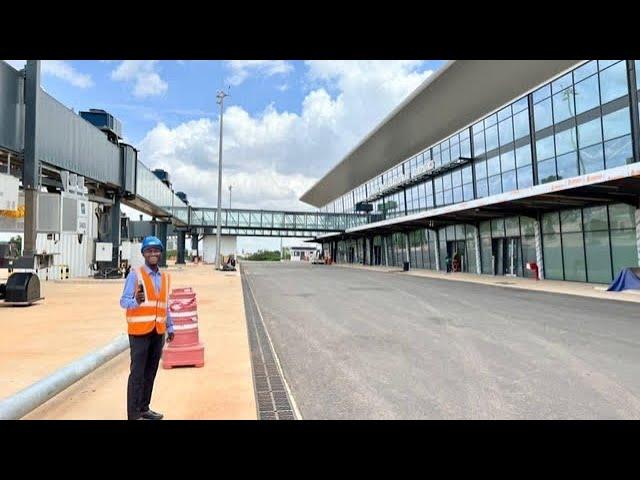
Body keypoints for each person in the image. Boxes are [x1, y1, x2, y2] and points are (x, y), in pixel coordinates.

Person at [120, 236, 174, 420]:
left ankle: (144, 408)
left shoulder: (165, 277)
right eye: (149, 251)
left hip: (157, 331)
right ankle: (133, 415)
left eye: (156, 250)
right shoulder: (135, 275)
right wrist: (135, 301)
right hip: (139, 332)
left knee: (150, 372)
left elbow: (165, 304)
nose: (153, 253)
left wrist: (170, 326)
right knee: (137, 375)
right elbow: (123, 301)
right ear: (143, 254)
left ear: (160, 253)